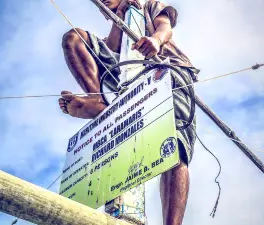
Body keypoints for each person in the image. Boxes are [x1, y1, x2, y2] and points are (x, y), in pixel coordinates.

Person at [58, 0, 199, 224]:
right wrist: (120, 16)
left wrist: (155, 40)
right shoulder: (115, 31)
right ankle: (102, 103)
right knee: (74, 38)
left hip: (166, 69)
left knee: (175, 145)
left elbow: (165, 27)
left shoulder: (149, 5)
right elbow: (112, 50)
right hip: (123, 78)